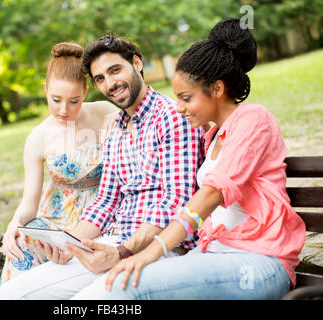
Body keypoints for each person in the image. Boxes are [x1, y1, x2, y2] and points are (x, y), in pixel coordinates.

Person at [104, 18, 307, 300]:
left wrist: (150, 252)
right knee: (113, 285)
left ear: (217, 89)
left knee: (126, 287)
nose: (179, 108)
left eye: (186, 98)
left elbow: (213, 193)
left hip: (259, 260)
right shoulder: (211, 135)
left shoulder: (253, 119)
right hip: (214, 254)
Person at [0, 35, 202, 299]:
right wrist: (72, 244)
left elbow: (177, 204)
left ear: (137, 63)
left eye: (115, 70)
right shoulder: (113, 127)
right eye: (100, 78)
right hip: (111, 242)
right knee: (8, 295)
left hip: (161, 247)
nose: (110, 83)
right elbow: (105, 202)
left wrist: (122, 251)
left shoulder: (172, 117)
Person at [0, 42, 117, 285]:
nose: (64, 110)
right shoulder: (38, 137)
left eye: (74, 101)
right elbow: (29, 203)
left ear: (85, 92)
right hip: (59, 219)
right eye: (56, 99)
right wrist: (15, 223)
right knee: (23, 242)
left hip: (106, 212)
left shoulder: (104, 112)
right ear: (45, 90)